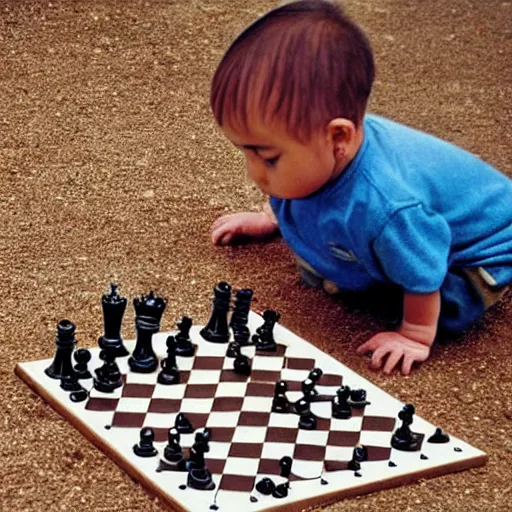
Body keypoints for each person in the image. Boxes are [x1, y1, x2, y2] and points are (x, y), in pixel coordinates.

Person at [209, 0, 512, 375]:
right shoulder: (323, 154)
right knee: (321, 222)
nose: (254, 173)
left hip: (481, 249)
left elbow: (424, 266)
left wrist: (414, 334)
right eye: (247, 153)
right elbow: (295, 184)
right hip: (406, 223)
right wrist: (270, 216)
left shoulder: (387, 205)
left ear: (339, 137)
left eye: (268, 158)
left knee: (439, 299)